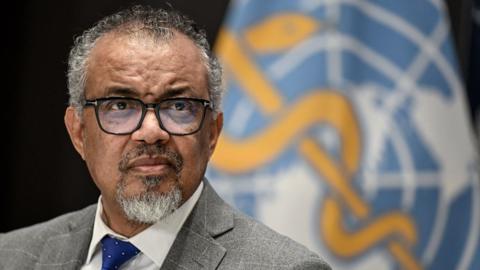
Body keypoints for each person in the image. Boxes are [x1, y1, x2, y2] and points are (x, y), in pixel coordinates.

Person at [0, 5, 331, 270]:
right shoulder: (10, 256)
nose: (151, 131)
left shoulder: (286, 267)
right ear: (78, 133)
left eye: (179, 105)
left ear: (212, 133)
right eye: (120, 104)